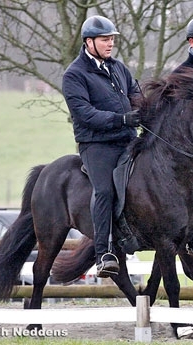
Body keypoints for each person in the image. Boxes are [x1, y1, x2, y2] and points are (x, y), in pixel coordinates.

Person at [62, 15, 141, 278]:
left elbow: (136, 94)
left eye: (112, 40)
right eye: (105, 40)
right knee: (105, 191)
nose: (110, 44)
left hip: (127, 138)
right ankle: (103, 252)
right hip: (97, 144)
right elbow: (84, 114)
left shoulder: (118, 68)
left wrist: (148, 110)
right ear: (89, 42)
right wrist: (121, 119)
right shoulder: (74, 75)